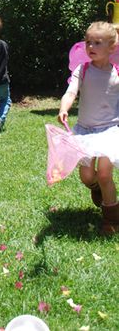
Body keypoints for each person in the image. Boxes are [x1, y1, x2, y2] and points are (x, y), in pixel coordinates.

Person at [58, 21, 119, 234]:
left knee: (104, 174)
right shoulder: (82, 70)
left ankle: (111, 220)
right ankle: (96, 189)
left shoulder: (117, 73)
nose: (90, 46)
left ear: (112, 48)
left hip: (110, 131)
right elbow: (71, 92)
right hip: (85, 130)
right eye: (88, 42)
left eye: (97, 42)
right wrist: (64, 107)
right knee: (86, 176)